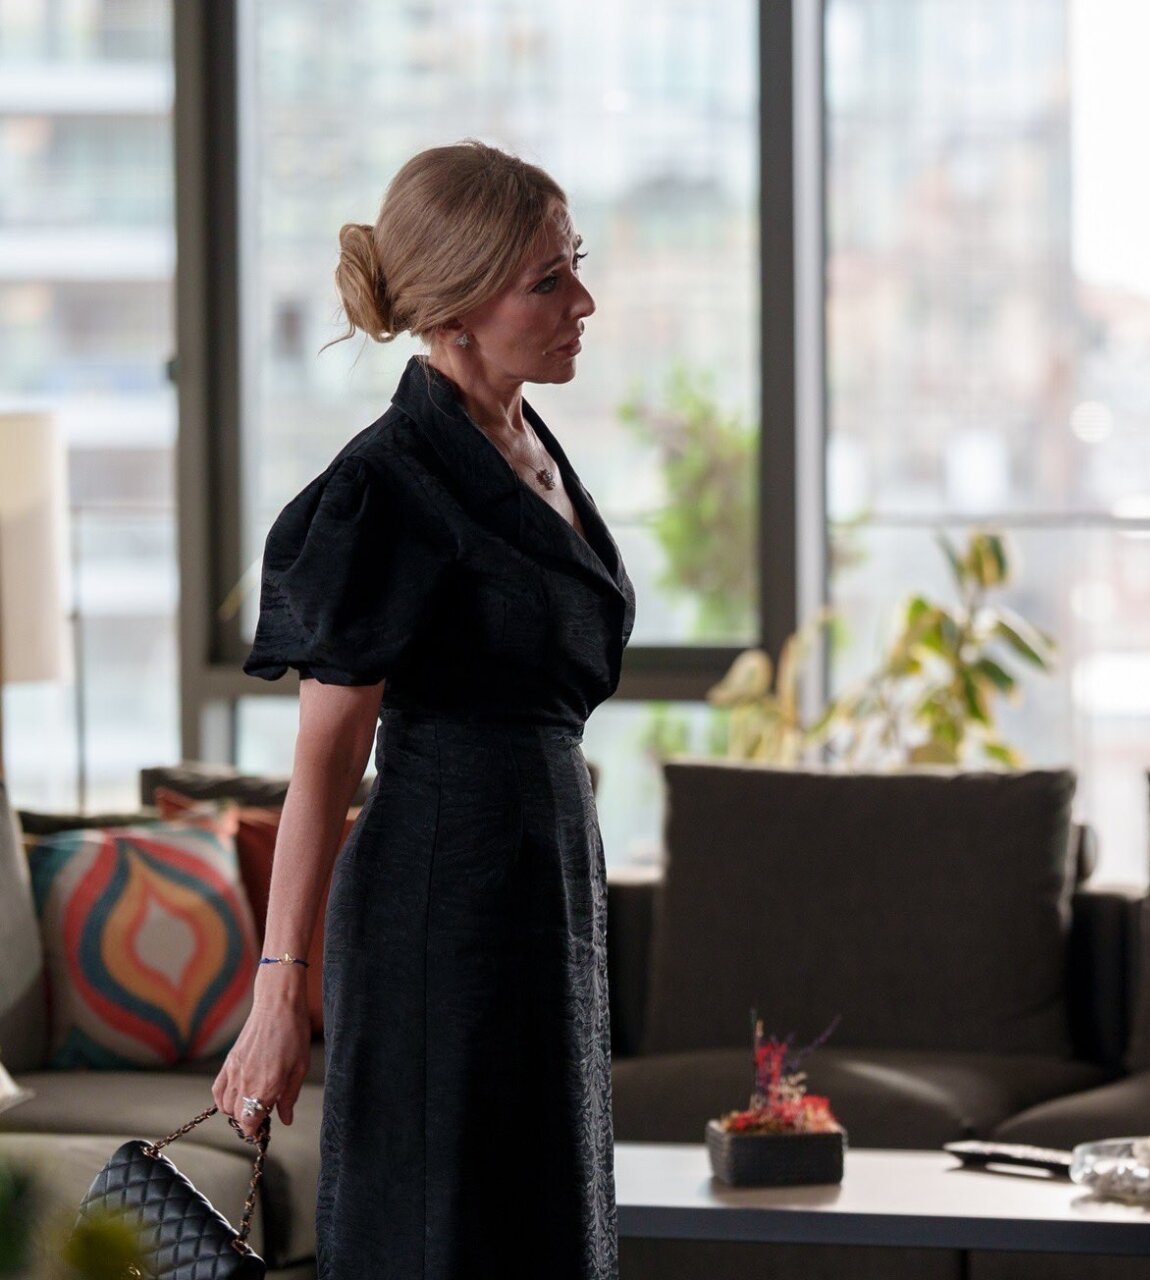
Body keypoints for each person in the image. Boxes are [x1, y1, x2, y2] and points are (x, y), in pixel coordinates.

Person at [214, 139, 636, 1279]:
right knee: (441, 1238)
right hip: (438, 910)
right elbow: (324, 760)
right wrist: (280, 988)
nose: (583, 300)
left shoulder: (526, 442)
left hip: (545, 893)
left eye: (576, 264)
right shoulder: (389, 482)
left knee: (540, 1231)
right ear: (453, 312)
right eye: (547, 280)